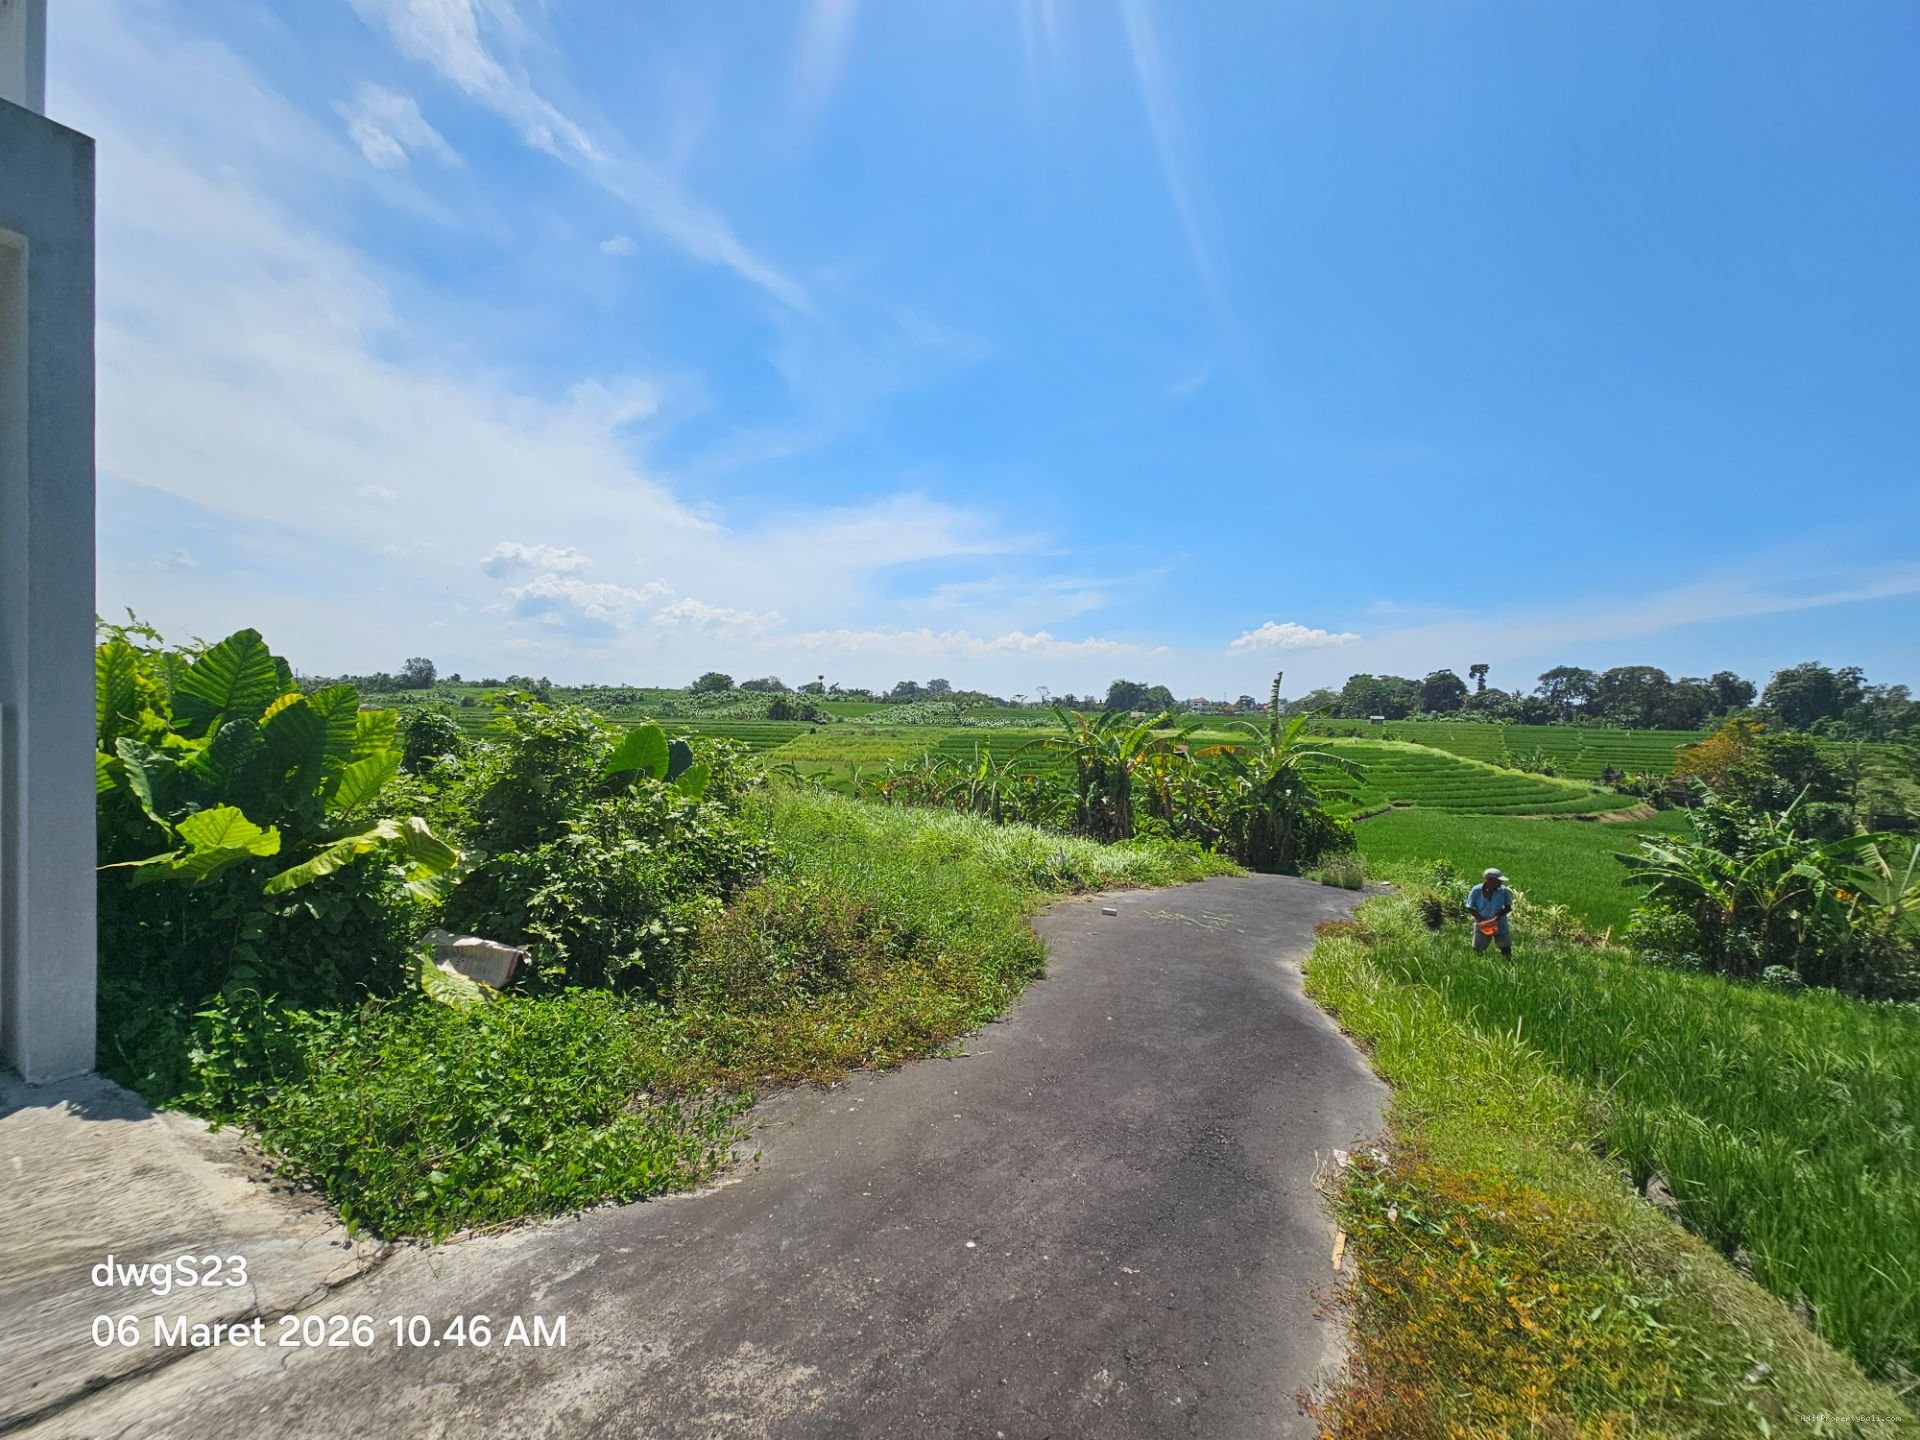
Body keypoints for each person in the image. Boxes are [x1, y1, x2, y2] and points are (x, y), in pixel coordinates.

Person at [1466, 867, 1514, 957]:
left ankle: (1508, 965)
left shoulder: (1502, 891)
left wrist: (1498, 916)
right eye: (1498, 881)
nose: (1501, 883)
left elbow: (1508, 907)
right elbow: (1470, 907)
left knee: (1506, 949)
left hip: (1500, 923)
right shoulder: (1476, 890)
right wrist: (1482, 920)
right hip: (1482, 923)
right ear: (1489, 880)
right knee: (1478, 950)